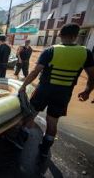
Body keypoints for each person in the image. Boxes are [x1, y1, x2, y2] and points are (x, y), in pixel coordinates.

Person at [8, 23, 94, 158]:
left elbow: (35, 72)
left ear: (60, 35)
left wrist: (23, 86)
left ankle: (20, 142)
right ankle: (44, 150)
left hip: (44, 90)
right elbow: (92, 76)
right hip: (64, 93)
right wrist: (87, 91)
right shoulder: (86, 52)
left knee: (32, 114)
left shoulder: (51, 50)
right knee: (53, 121)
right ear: (75, 36)